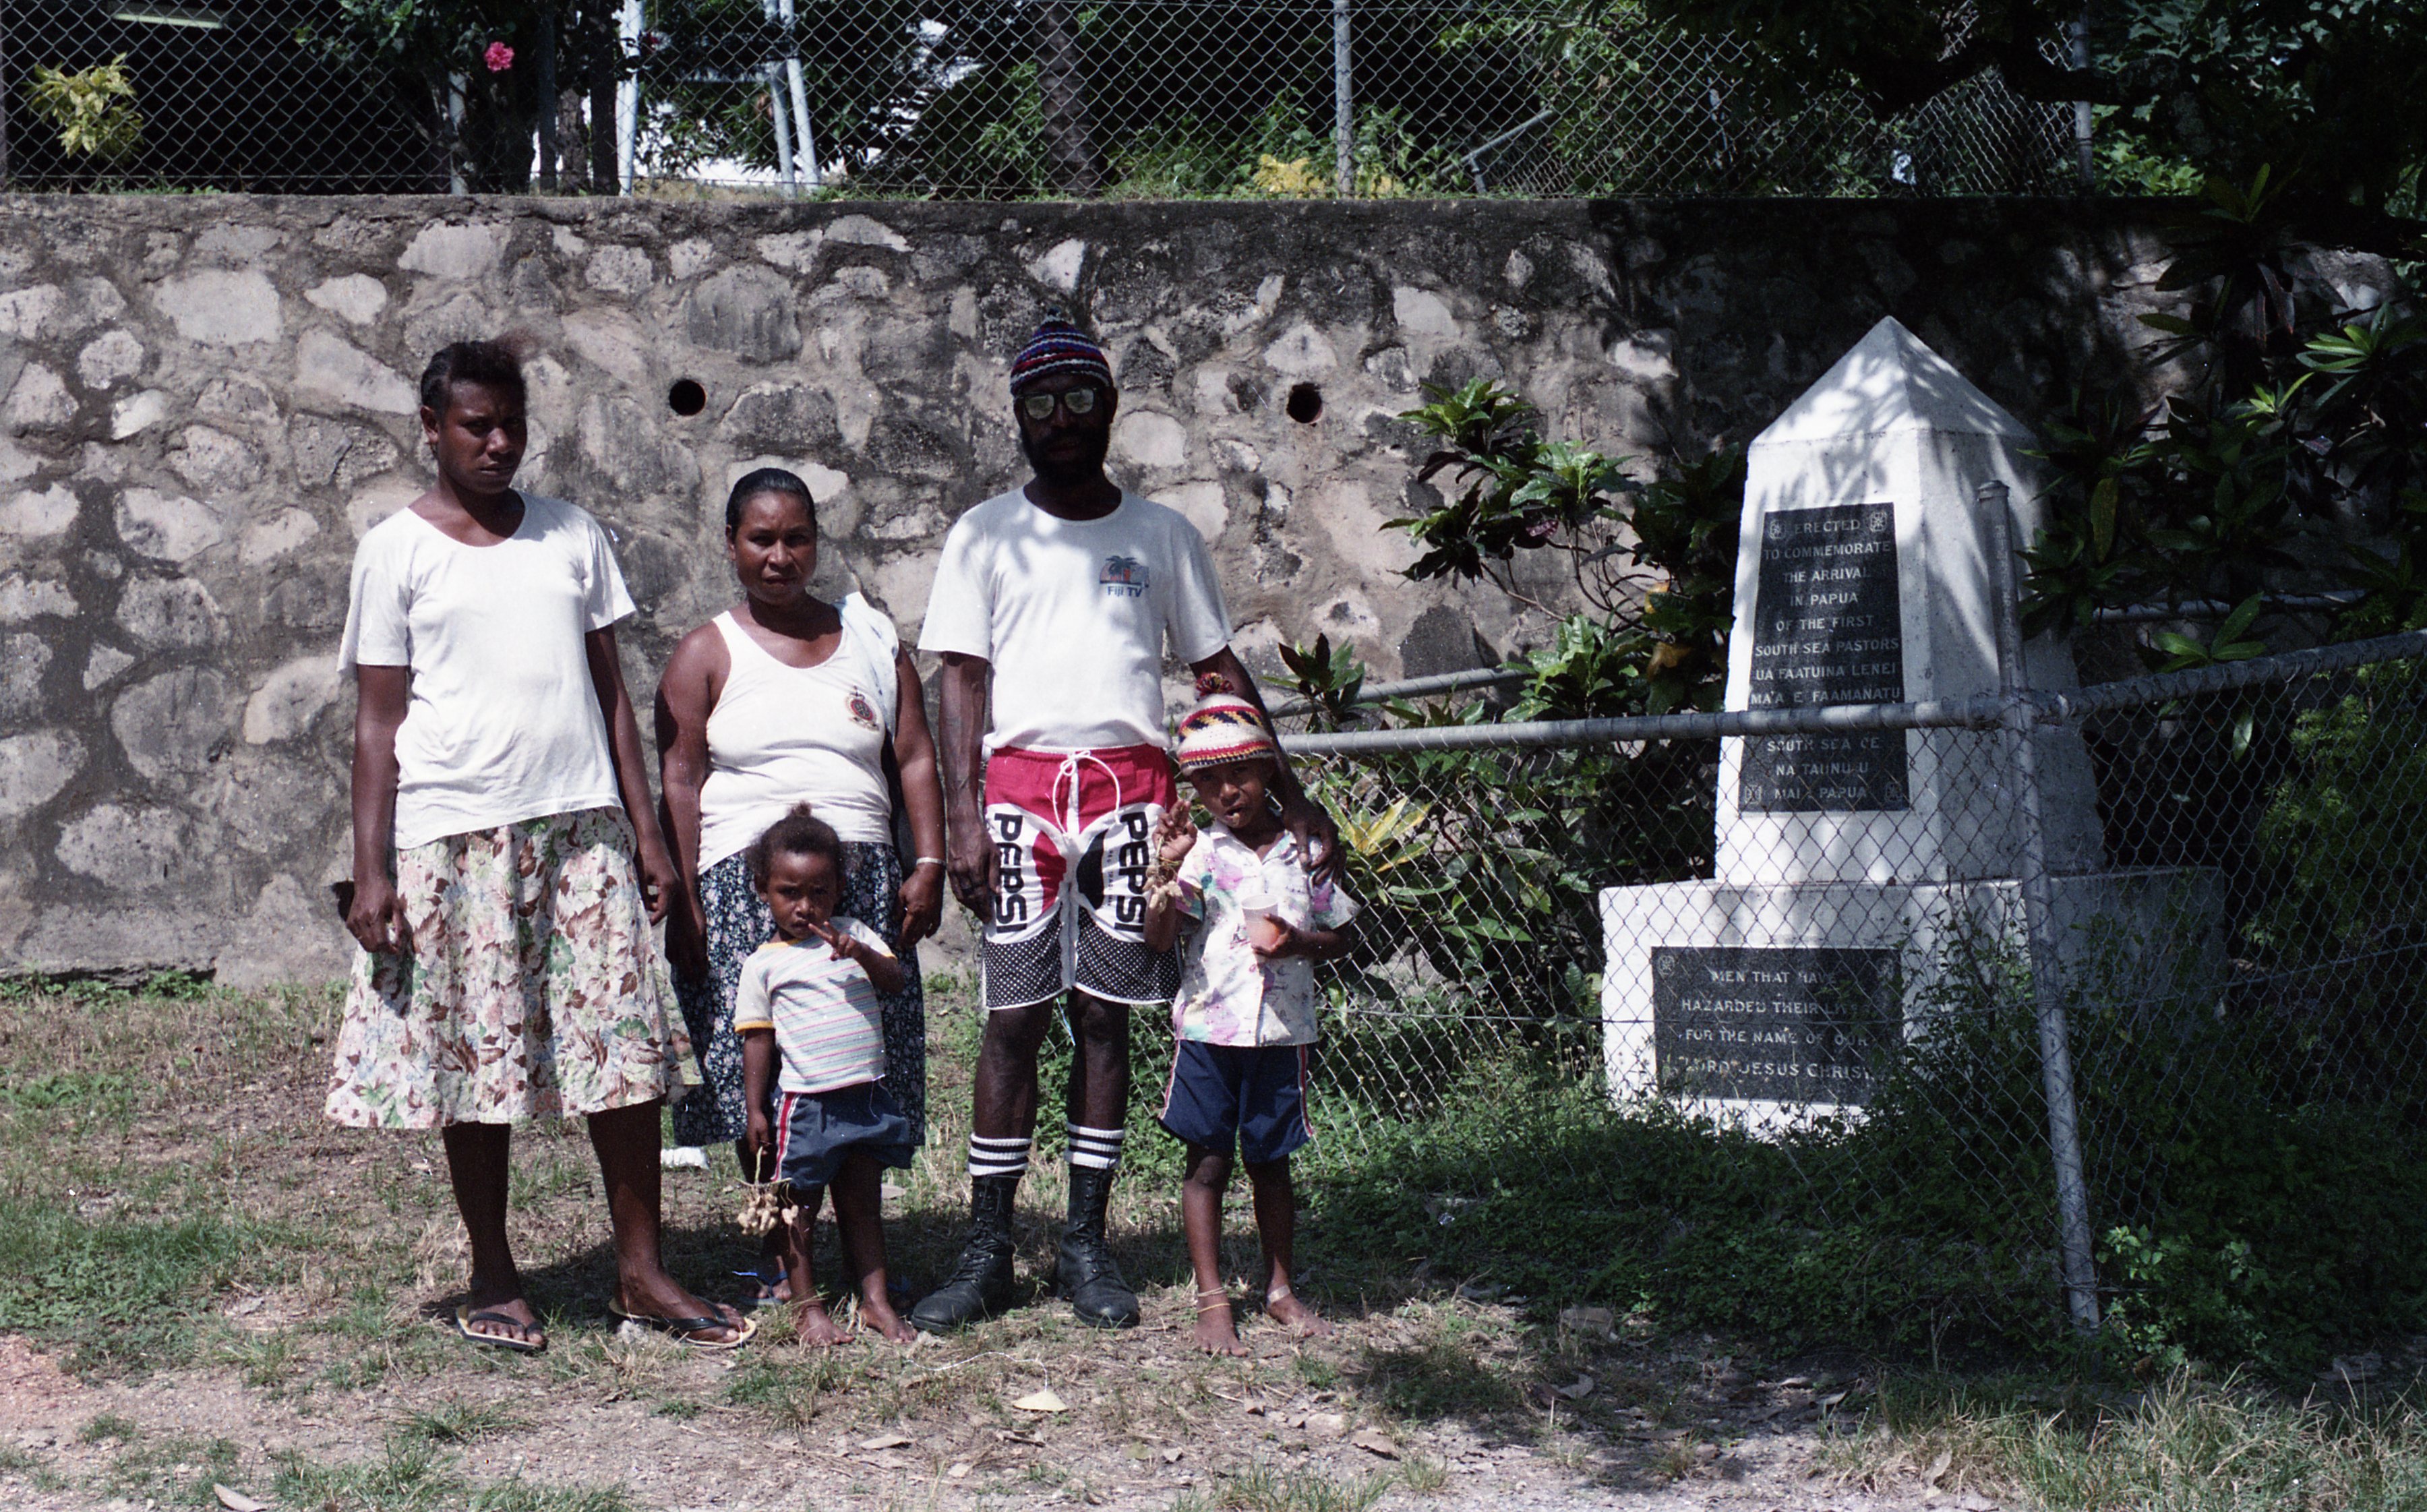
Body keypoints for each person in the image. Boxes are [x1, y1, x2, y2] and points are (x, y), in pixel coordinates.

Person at [910, 318, 1340, 1333]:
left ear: (1108, 408)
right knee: (1011, 1018)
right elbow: (961, 675)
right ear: (1019, 416)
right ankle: (987, 1249)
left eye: (1077, 400)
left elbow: (1216, 672)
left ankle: (1086, 1243)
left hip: (1134, 796)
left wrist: (1287, 790)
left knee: (1106, 1015)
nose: (1059, 421)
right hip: (1017, 793)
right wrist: (966, 814)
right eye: (1039, 404)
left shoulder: (1161, 535)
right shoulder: (984, 533)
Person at [330, 339, 750, 1353]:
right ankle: (494, 1271)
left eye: (512, 422)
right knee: (476, 1060)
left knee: (623, 1050)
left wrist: (648, 831)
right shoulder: (397, 548)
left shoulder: (571, 535)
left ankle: (643, 1272)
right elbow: (377, 723)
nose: (499, 442)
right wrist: (376, 865)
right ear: (431, 428)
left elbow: (610, 690)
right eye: (477, 424)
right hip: (455, 831)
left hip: (583, 828)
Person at [656, 468, 945, 1305]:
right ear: (731, 544)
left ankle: (863, 1254)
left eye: (795, 539)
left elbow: (916, 755)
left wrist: (926, 862)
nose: (779, 557)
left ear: (816, 541)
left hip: (858, 879)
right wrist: (686, 895)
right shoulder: (707, 650)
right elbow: (679, 774)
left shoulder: (871, 639)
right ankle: (778, 1248)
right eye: (760, 539)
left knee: (855, 1063)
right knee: (761, 1067)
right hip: (749, 888)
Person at [1144, 675, 1356, 1356]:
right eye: (1210, 783)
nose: (1228, 792)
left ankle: (1278, 1289)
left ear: (1269, 768)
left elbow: (1342, 934)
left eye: (1241, 774)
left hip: (1281, 1031)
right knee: (1206, 1160)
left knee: (1272, 1161)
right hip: (1211, 1029)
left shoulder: (1308, 848)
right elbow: (1159, 937)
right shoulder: (1201, 854)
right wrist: (1161, 873)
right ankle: (1212, 1297)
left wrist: (1298, 943)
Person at [735, 805, 919, 1345]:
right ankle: (808, 1308)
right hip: (807, 1104)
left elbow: (895, 980)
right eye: (789, 892)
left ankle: (876, 1301)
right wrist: (755, 1108)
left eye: (818, 890)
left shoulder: (856, 933)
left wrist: (859, 951)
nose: (805, 905)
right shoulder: (763, 964)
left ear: (838, 887)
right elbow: (758, 1039)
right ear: (763, 889)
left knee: (863, 1202)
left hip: (865, 1096)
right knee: (799, 1208)